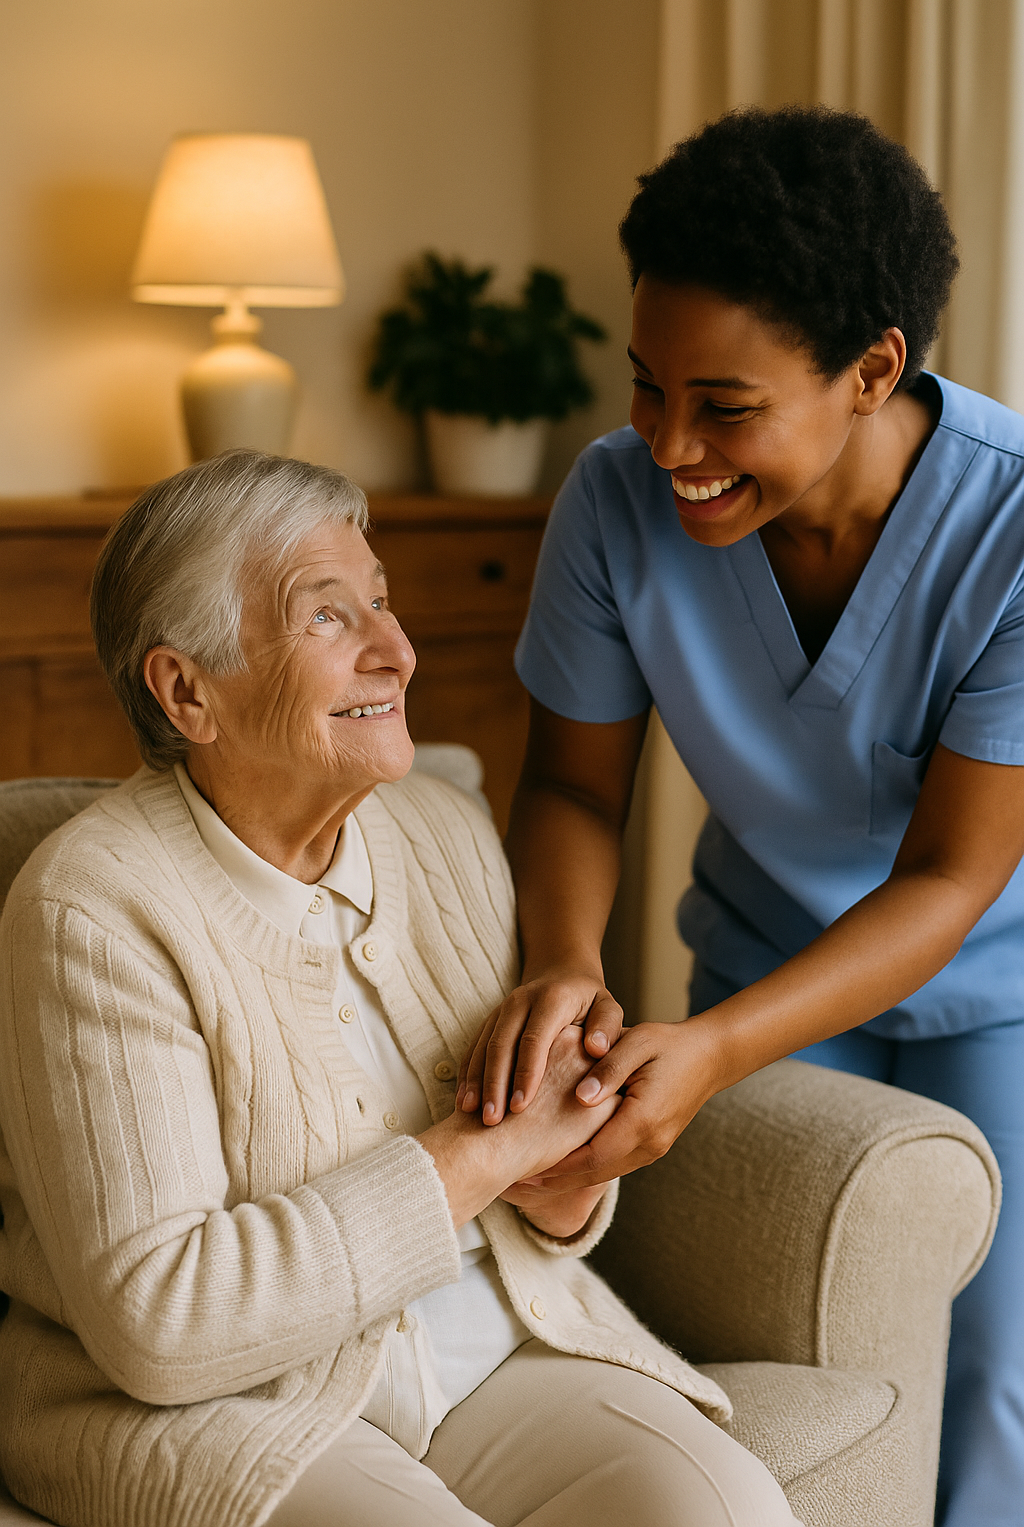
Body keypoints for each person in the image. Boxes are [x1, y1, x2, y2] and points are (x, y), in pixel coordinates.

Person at [0, 451, 797, 1527]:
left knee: (724, 1509)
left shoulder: (445, 832)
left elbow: (530, 1191)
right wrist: (488, 1155)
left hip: (482, 1349)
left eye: (382, 601)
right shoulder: (94, 909)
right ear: (188, 690)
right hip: (218, 1410)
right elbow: (161, 1321)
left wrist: (563, 1177)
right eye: (329, 619)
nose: (397, 650)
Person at [460, 106, 1024, 1527]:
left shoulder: (1010, 530)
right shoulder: (611, 503)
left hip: (1003, 978)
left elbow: (954, 876)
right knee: (754, 1335)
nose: (666, 446)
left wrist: (708, 1049)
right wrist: (568, 965)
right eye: (646, 385)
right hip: (767, 959)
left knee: (995, 1384)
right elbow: (575, 784)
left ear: (873, 368)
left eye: (725, 407)